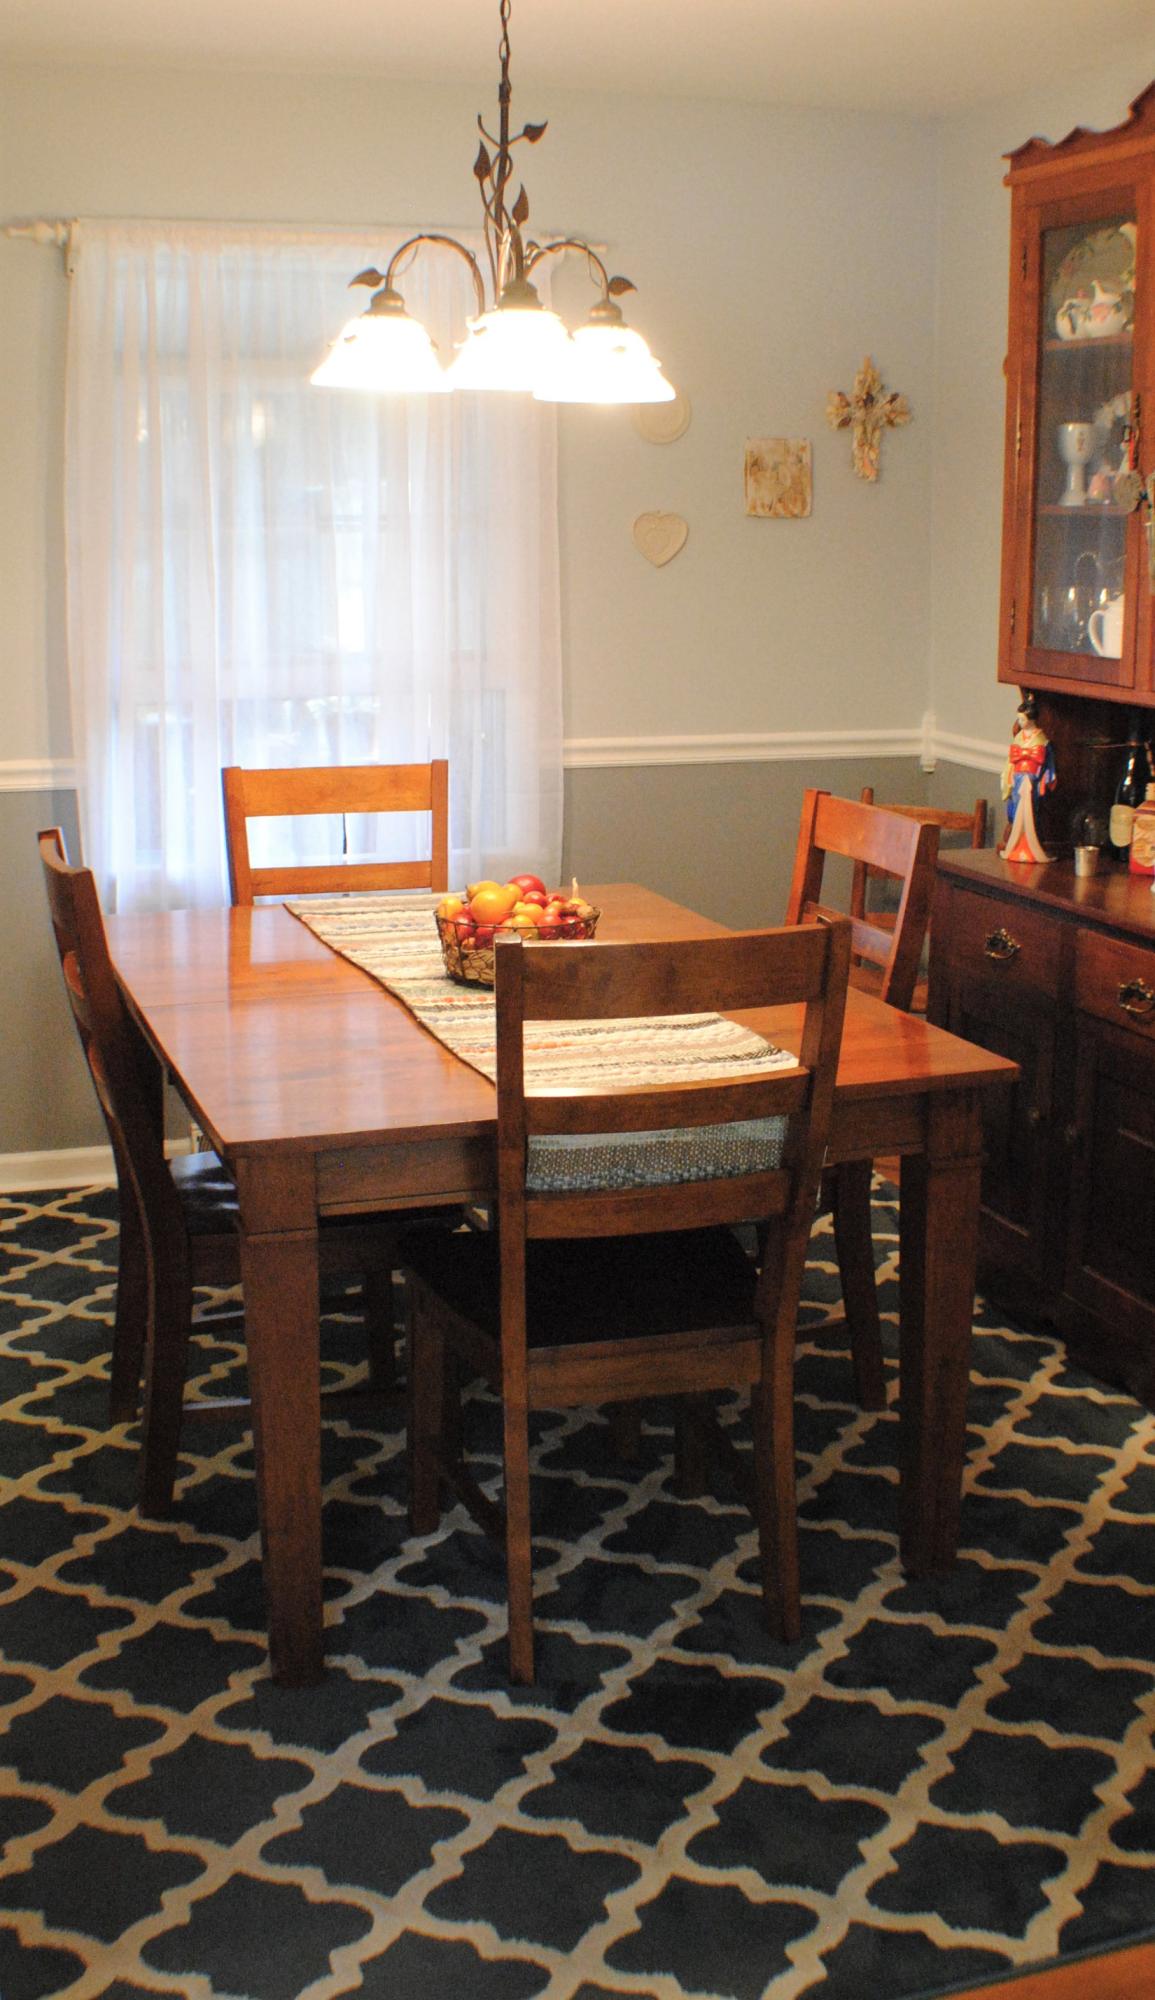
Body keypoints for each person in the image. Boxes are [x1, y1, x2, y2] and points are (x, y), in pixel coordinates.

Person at [1000, 693, 1055, 864]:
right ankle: (1016, 845)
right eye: (1019, 719)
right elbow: (1010, 760)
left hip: (1032, 778)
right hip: (1018, 776)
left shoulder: (1042, 740)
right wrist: (1008, 776)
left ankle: (1032, 845)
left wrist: (1047, 779)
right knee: (1015, 809)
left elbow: (1048, 763)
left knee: (1032, 810)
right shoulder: (1019, 738)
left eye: (1022, 719)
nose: (1020, 723)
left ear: (1031, 720)